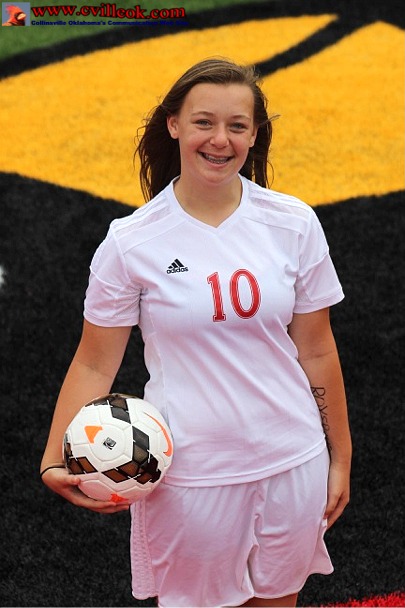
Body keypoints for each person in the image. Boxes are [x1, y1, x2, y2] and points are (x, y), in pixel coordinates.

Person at [40, 57, 352, 608]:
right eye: (204, 122)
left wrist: (339, 456)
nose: (220, 140)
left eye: (237, 125)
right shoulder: (130, 243)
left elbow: (317, 347)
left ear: (254, 135)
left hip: (293, 461)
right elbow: (94, 362)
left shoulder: (294, 223)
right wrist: (53, 456)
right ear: (174, 125)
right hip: (191, 476)